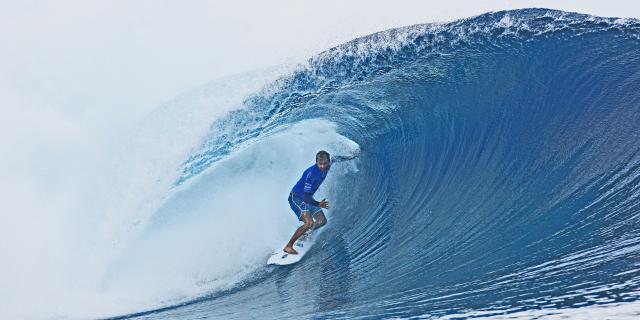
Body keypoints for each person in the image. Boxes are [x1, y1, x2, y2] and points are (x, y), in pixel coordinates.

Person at [284, 150, 348, 254]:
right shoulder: (311, 175)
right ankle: (288, 246)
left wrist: (351, 156)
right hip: (296, 198)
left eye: (325, 163)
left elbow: (336, 158)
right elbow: (305, 197)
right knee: (309, 222)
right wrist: (319, 204)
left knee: (322, 221)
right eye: (320, 164)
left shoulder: (329, 164)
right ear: (316, 162)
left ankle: (304, 234)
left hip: (308, 199)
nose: (323, 166)